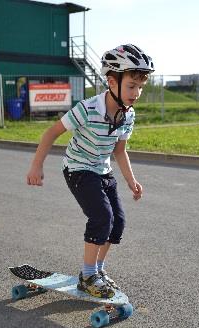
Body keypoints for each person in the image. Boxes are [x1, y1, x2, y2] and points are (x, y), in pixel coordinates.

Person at [27, 44, 155, 299]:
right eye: (132, 85)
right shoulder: (87, 108)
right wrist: (36, 165)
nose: (137, 93)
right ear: (112, 82)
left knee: (117, 223)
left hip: (103, 171)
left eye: (141, 86)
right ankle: (87, 276)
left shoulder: (127, 115)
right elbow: (51, 132)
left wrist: (131, 181)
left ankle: (97, 270)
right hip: (78, 169)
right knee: (101, 218)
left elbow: (119, 151)